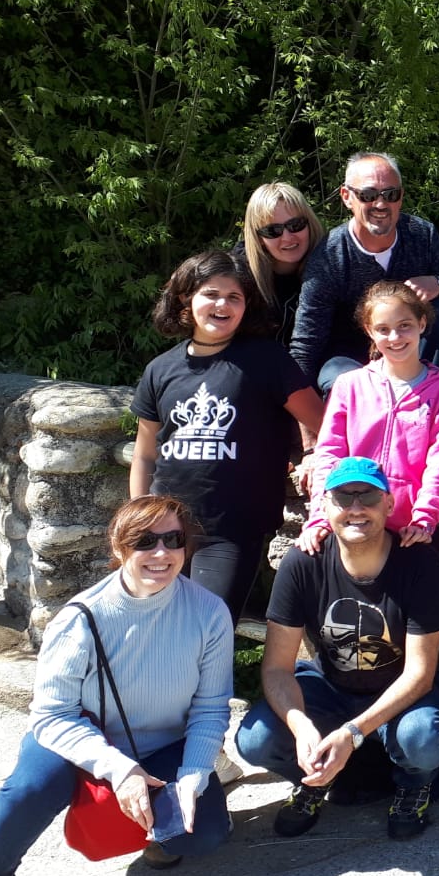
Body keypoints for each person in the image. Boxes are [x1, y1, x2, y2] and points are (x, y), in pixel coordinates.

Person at [0, 496, 234, 876]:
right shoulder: (81, 618)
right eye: (145, 541)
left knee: (203, 834)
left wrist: (194, 775)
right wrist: (118, 770)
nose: (161, 553)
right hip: (83, 740)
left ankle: (157, 834)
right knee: (27, 789)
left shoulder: (208, 612)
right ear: (120, 547)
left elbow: (210, 708)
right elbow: (51, 716)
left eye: (173, 539)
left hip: (163, 743)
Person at [235, 458, 439, 840]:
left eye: (367, 496)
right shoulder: (302, 563)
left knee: (422, 740)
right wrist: (301, 727)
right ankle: (316, 777)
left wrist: (352, 733)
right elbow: (276, 668)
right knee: (255, 739)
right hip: (330, 686)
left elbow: (420, 674)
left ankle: (413, 784)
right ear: (325, 506)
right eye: (342, 497)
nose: (356, 508)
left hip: (399, 692)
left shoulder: (418, 563)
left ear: (388, 503)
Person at [130, 249, 324, 628]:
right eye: (211, 294)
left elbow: (322, 421)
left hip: (232, 529)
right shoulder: (160, 369)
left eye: (234, 297)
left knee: (207, 628)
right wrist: (138, 518)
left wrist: (314, 454)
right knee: (155, 628)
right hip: (164, 529)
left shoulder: (267, 360)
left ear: (246, 305)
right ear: (186, 298)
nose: (222, 305)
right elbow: (145, 454)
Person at [290, 151, 439, 396]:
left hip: (410, 354)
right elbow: (307, 344)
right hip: (351, 361)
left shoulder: (422, 236)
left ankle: (432, 400)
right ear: (347, 197)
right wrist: (305, 418)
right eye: (368, 195)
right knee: (341, 379)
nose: (381, 204)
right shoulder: (328, 257)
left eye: (391, 194)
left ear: (401, 198)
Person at [298, 281, 439, 556]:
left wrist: (424, 518)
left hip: (413, 529)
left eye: (404, 325)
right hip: (355, 522)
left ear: (422, 323)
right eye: (383, 329)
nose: (395, 337)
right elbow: (329, 455)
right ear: (369, 331)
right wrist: (319, 516)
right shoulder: (349, 386)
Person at [236, 181, 326, 347]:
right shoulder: (236, 276)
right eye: (273, 231)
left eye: (296, 225)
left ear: (309, 224)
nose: (287, 237)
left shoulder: (331, 265)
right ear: (258, 238)